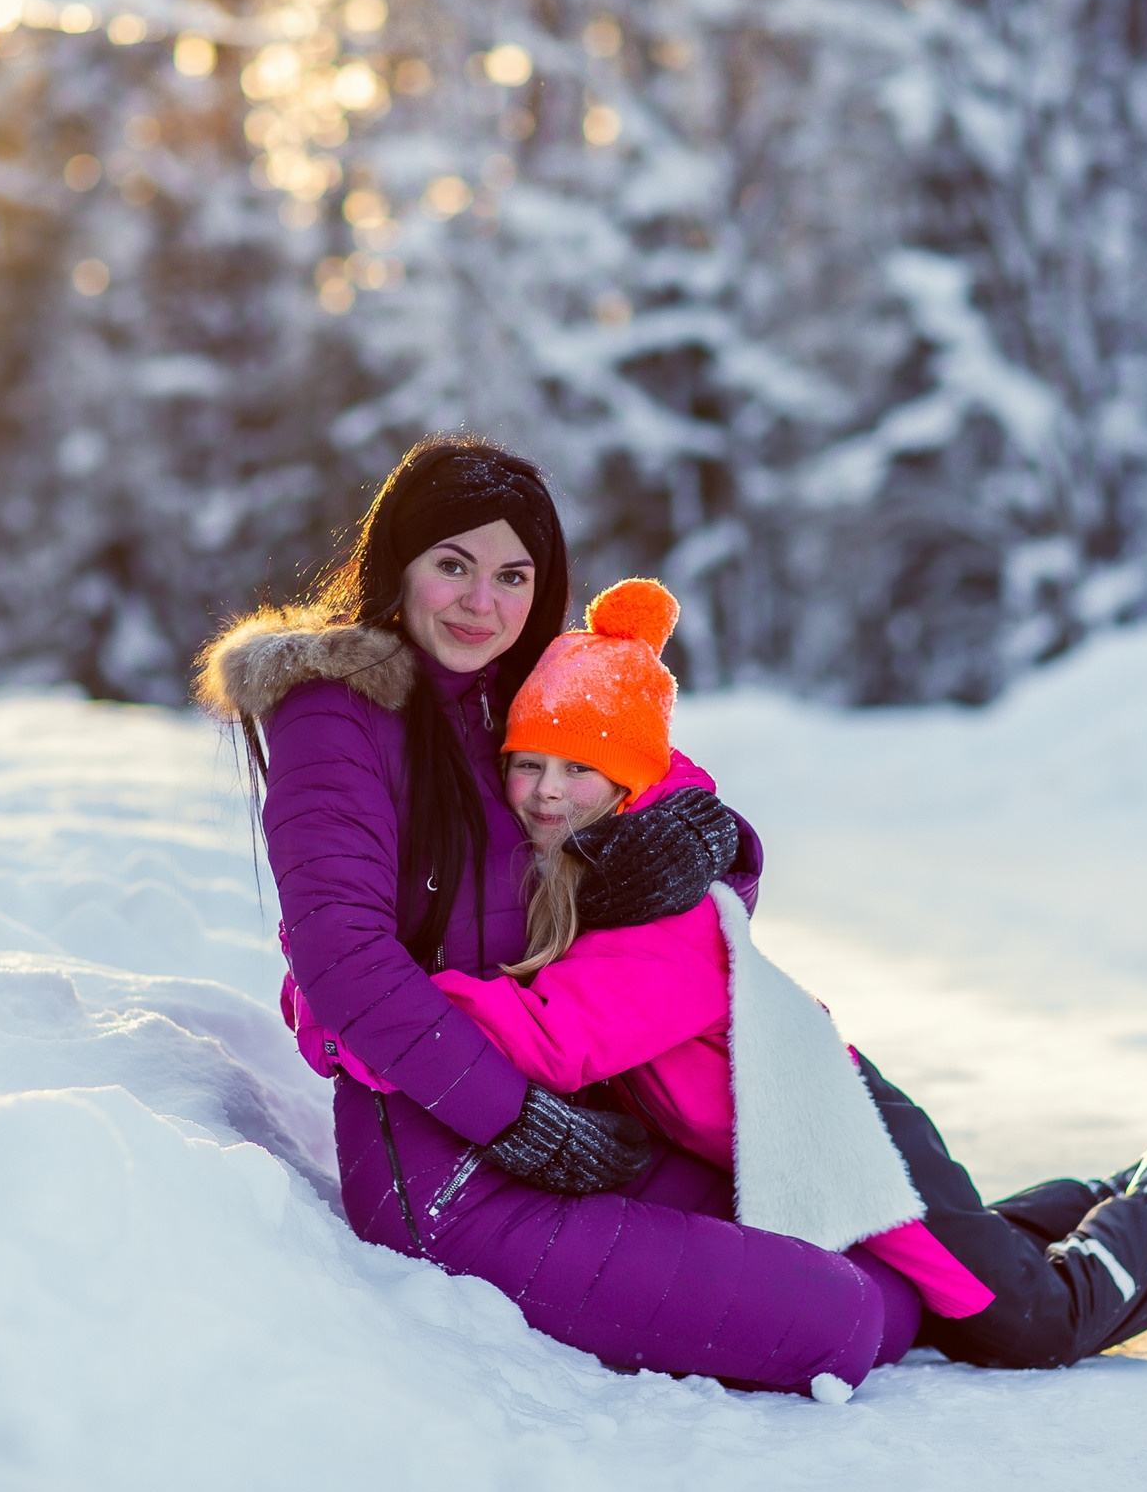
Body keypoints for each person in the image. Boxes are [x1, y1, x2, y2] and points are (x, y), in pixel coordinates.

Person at [195, 437, 921, 1396]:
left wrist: (711, 848)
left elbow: (662, 797)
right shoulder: (336, 713)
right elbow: (345, 962)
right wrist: (514, 1121)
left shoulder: (523, 694)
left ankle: (1120, 1229)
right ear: (397, 564)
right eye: (452, 564)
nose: (480, 602)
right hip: (446, 1174)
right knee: (847, 1315)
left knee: (882, 1254)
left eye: (512, 575)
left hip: (587, 1116)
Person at [430, 576, 1147, 1368]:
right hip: (807, 1137)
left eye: (580, 768)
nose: (546, 792)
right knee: (965, 1276)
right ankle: (1106, 1192)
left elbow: (556, 1040)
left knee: (1026, 1323)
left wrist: (386, 1002)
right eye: (529, 762)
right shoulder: (595, 872)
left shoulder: (664, 910)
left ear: (629, 777)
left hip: (845, 1134)